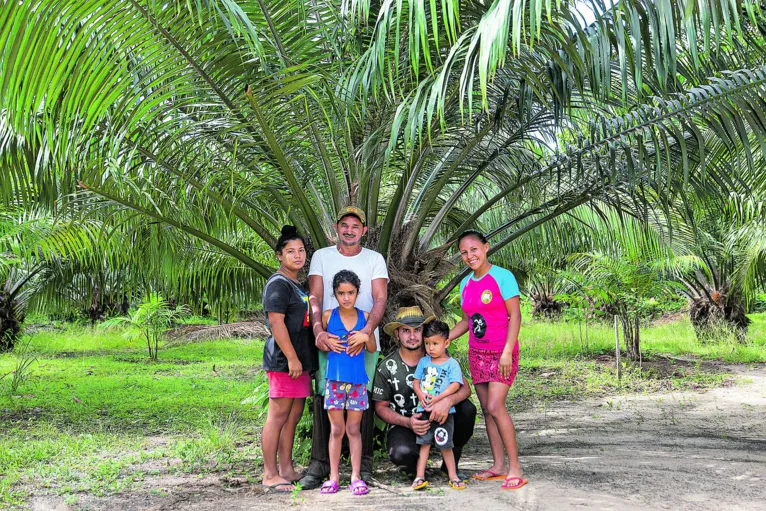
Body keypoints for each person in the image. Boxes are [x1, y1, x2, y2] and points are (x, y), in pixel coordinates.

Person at [301, 206, 389, 490]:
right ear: (336, 228)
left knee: (360, 401)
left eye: (355, 225)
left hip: (364, 341)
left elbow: (379, 299)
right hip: (331, 339)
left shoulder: (374, 259)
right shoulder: (321, 257)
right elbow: (315, 297)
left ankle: (361, 467)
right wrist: (318, 331)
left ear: (364, 230)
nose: (349, 230)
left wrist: (365, 333)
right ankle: (321, 465)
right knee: (325, 397)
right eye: (344, 225)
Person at [448, 230, 527, 490]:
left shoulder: (503, 277)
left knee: (495, 406)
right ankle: (498, 466)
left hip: (501, 353)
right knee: (486, 410)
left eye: (474, 249)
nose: (470, 255)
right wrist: (447, 338)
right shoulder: (466, 284)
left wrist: (506, 351)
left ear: (486, 247)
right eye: (464, 252)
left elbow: (515, 316)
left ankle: (515, 467)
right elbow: (467, 320)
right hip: (477, 353)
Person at [372, 306, 476, 481]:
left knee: (467, 410)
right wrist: (407, 422)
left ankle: (450, 466)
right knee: (401, 453)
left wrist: (448, 402)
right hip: (409, 423)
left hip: (443, 416)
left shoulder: (439, 356)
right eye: (406, 331)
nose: (412, 336)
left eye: (417, 330)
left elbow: (465, 388)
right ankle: (418, 471)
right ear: (397, 333)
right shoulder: (387, 367)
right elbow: (380, 407)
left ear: (424, 332)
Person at [260, 226, 317, 492]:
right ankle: (270, 474)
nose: (297, 256)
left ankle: (286, 468)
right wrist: (292, 358)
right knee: (278, 415)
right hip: (285, 363)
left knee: (293, 416)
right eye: (290, 251)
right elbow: (276, 322)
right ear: (279, 256)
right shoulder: (278, 284)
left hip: (300, 362)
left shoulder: (296, 285)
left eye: (301, 251)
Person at [319, 270, 377, 495]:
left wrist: (366, 337)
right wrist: (325, 343)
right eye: (341, 293)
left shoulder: (364, 315)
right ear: (334, 293)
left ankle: (355, 476)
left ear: (357, 292)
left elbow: (372, 348)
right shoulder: (327, 316)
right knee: (336, 430)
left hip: (357, 382)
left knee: (353, 429)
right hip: (334, 380)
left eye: (350, 292)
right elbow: (321, 342)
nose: (346, 297)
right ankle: (333, 477)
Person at [411, 320, 466, 491]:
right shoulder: (424, 362)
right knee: (424, 444)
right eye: (427, 343)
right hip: (424, 410)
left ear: (446, 343)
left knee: (446, 445)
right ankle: (419, 476)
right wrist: (420, 394)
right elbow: (416, 382)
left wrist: (440, 398)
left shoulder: (452, 364)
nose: (431, 348)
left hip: (445, 413)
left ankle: (453, 476)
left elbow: (456, 385)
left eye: (435, 343)